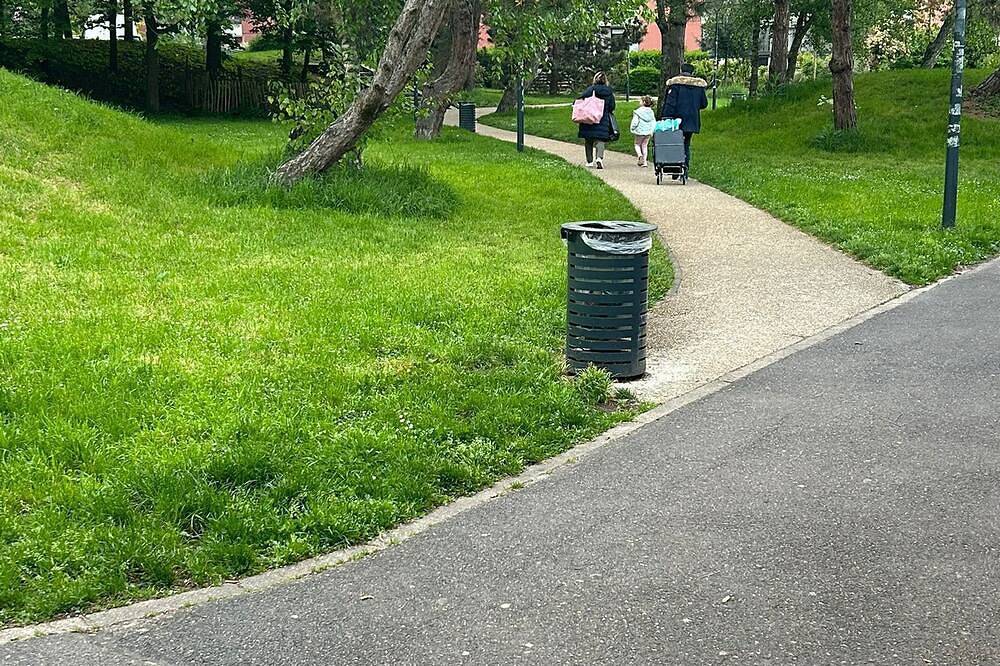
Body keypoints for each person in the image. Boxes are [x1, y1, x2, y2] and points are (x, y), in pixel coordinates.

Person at [660, 63, 708, 172]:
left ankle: (675, 167)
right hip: (692, 120)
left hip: (676, 120)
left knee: (675, 143)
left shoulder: (675, 84)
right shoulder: (698, 87)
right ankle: (685, 168)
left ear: (681, 70)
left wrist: (665, 117)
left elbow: (670, 103)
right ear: (692, 72)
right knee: (686, 144)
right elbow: (704, 104)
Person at [577, 72, 616, 169]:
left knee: (589, 140)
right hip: (603, 118)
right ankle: (599, 158)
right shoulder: (609, 91)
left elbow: (580, 99)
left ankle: (589, 161)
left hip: (589, 118)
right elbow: (612, 106)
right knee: (601, 139)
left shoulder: (591, 89)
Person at [630, 95, 656, 168]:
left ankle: (639, 155)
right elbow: (653, 122)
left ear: (644, 102)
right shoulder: (651, 112)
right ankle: (645, 162)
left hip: (640, 131)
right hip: (648, 132)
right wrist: (652, 130)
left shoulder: (638, 112)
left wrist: (632, 128)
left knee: (637, 144)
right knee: (644, 145)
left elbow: (635, 122)